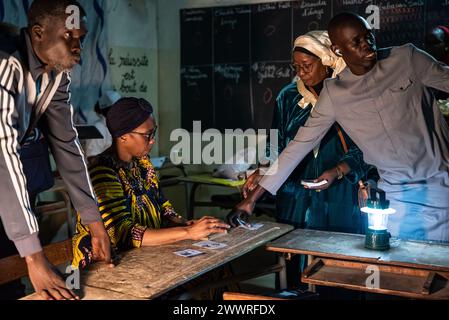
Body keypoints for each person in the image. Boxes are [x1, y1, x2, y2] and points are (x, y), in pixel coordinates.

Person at [234, 12, 449, 243]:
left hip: (441, 185)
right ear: (337, 50)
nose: (367, 45)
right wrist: (252, 199)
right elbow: (297, 147)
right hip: (395, 197)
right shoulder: (335, 93)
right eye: (356, 42)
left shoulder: (407, 58)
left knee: (440, 265)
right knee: (402, 267)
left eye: (368, 37)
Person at [0, 0, 112, 300]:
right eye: (69, 37)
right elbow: (3, 154)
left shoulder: (56, 73)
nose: (78, 47)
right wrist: (35, 258)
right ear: (38, 33)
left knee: (10, 282)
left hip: (8, 197)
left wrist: (94, 220)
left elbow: (66, 143)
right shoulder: (6, 64)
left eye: (82, 39)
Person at [72, 97, 230, 269]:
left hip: (143, 257)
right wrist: (187, 233)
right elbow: (123, 232)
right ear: (123, 135)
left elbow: (162, 206)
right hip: (108, 265)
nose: (152, 140)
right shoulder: (102, 172)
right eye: (147, 135)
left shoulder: (143, 164)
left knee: (213, 269)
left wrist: (183, 223)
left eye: (153, 132)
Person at [243, 31, 371, 234]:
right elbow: (275, 142)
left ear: (327, 61)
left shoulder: (352, 95)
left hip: (340, 193)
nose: (301, 73)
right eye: (296, 67)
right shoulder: (288, 97)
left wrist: (339, 170)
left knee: (336, 255)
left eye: (307, 66)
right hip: (295, 193)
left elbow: (368, 147)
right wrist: (263, 170)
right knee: (294, 252)